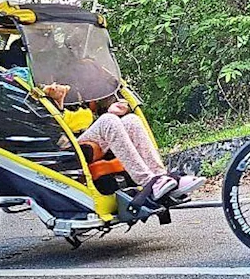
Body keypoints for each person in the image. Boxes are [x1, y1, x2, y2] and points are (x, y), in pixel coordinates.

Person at [43, 83, 204, 204]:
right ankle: (149, 182)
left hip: (93, 135)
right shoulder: (40, 85)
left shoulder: (82, 80)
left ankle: (161, 176)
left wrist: (115, 106)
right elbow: (48, 129)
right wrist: (58, 101)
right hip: (66, 147)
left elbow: (99, 108)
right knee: (108, 120)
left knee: (132, 120)